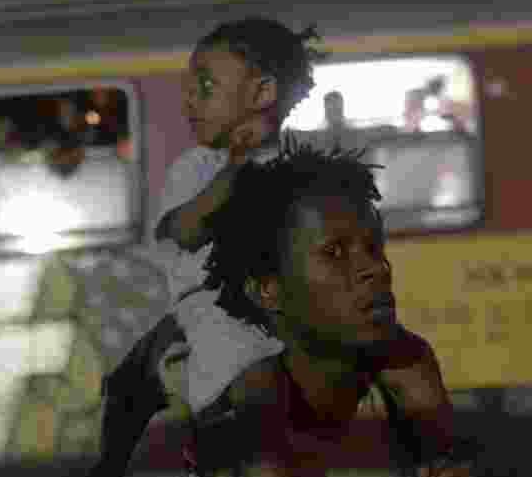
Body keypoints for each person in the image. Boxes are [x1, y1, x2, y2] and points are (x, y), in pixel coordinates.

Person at [90, 19, 458, 476]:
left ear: (262, 93)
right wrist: (232, 179)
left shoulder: (297, 159)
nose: (188, 100)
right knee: (232, 374)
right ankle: (219, 451)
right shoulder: (199, 168)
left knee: (409, 355)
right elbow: (179, 232)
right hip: (218, 306)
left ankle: (433, 454)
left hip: (286, 301)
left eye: (205, 87)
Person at [132, 137, 474, 476]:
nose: (377, 269)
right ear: (269, 290)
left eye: (374, 247)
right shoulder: (240, 403)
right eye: (335, 253)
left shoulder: (407, 368)